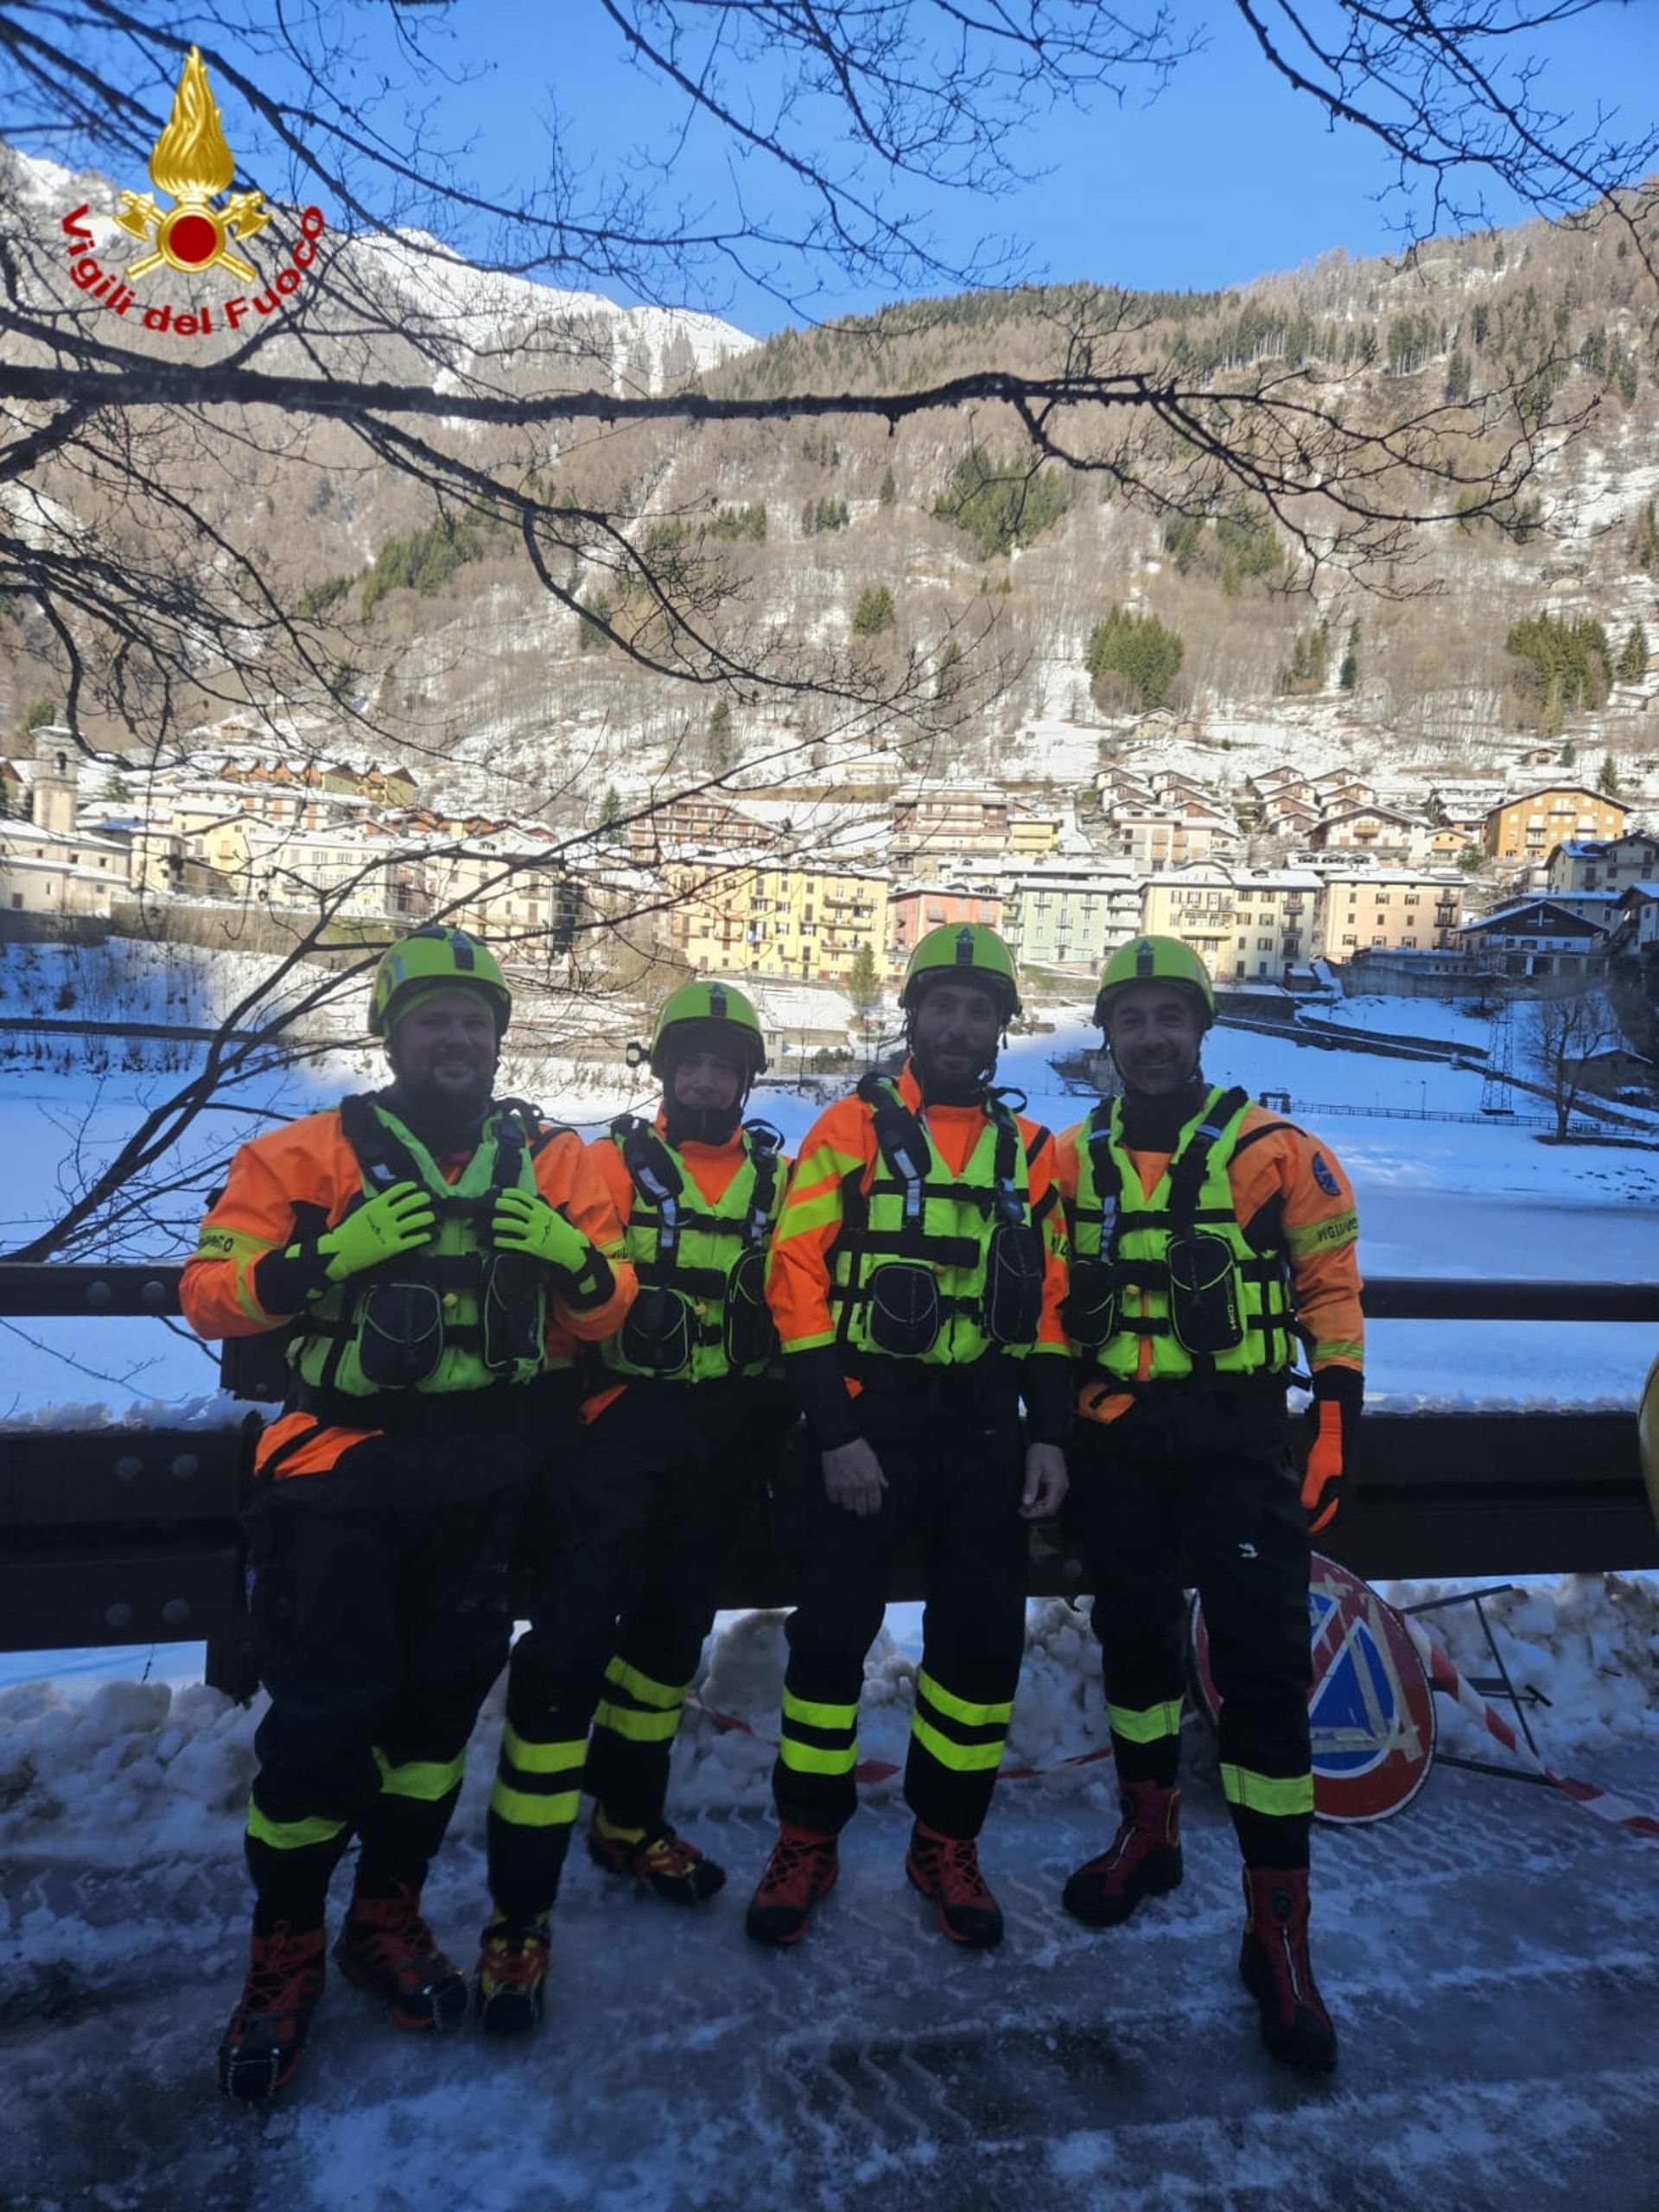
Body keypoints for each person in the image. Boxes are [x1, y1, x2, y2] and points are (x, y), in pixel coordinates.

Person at [181, 925, 634, 2101]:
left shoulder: (550, 1162)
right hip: (338, 1475)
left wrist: (578, 1265)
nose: (458, 1038)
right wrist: (317, 1262)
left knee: (434, 1724)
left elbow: (607, 1311)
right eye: (434, 1019)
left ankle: (385, 1916)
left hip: (479, 1482)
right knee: (323, 1725)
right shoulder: (301, 1155)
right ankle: (283, 1947)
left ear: (499, 1041)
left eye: (476, 1021)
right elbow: (209, 1295)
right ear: (392, 1036)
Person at [1055, 933, 1363, 2073]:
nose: (1149, 1038)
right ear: (1108, 1036)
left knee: (1263, 1676)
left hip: (1235, 1442)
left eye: (1168, 1018)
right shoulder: (1067, 1161)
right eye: (1129, 1019)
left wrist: (1334, 1426)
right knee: (1134, 1645)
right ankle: (1149, 1833)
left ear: (1200, 1030)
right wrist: (1058, 1424)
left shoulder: (1277, 1153)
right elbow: (1042, 1304)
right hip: (1116, 1442)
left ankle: (1278, 1931)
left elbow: (1331, 1292)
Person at [474, 979, 791, 2032]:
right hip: (607, 1441)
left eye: (723, 1067)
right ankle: (519, 1910)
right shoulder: (603, 1165)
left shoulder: (779, 1179)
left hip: (721, 1449)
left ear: (747, 1080)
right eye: (688, 1062)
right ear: (661, 1072)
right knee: (566, 1655)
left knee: (664, 1649)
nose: (704, 1081)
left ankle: (629, 1819)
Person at [746, 923, 1071, 1950]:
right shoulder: (846, 1128)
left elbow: (1050, 1306)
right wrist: (835, 1431)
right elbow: (793, 1280)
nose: (959, 1026)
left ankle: (946, 1840)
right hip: (868, 1426)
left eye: (979, 1010)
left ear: (1000, 1027)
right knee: (829, 1643)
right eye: (943, 1005)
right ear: (914, 1015)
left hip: (984, 1434)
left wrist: (1048, 1434)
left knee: (980, 1651)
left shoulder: (1033, 1153)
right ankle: (806, 1836)